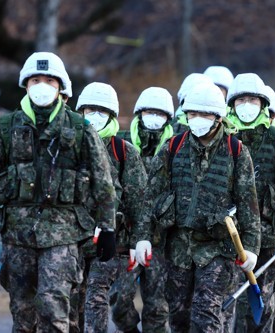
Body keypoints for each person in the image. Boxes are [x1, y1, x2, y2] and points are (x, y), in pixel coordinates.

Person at [0, 52, 117, 332]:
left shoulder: (80, 128)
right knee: (22, 313)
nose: (42, 85)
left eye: (49, 80)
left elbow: (102, 181)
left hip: (65, 235)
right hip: (17, 235)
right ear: (26, 85)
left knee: (53, 308)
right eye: (36, 79)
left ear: (62, 89)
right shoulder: (8, 128)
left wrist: (108, 228)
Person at [132, 82, 261, 332]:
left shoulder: (236, 152)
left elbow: (248, 203)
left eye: (203, 114)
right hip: (178, 247)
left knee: (206, 316)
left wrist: (252, 247)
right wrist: (142, 237)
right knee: (179, 318)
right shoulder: (173, 147)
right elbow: (151, 195)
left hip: (217, 250)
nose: (197, 119)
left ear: (217, 117)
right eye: (192, 114)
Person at [226, 73, 275, 332]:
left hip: (268, 237)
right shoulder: (222, 140)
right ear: (232, 106)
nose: (247, 106)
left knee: (261, 307)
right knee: (226, 306)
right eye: (241, 100)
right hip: (226, 238)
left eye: (252, 100)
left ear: (263, 104)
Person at [72, 82, 147, 333]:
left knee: (96, 296)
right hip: (72, 239)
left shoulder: (124, 152)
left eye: (101, 111)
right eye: (90, 110)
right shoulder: (68, 147)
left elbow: (139, 202)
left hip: (112, 242)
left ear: (112, 116)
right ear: (80, 112)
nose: (95, 116)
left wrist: (137, 243)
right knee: (74, 301)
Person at [109, 86, 174, 333]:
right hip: (126, 240)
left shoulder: (177, 147)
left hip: (162, 243)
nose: (153, 117)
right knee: (119, 300)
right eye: (149, 111)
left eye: (159, 113)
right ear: (139, 113)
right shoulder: (121, 144)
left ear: (168, 117)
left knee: (157, 308)